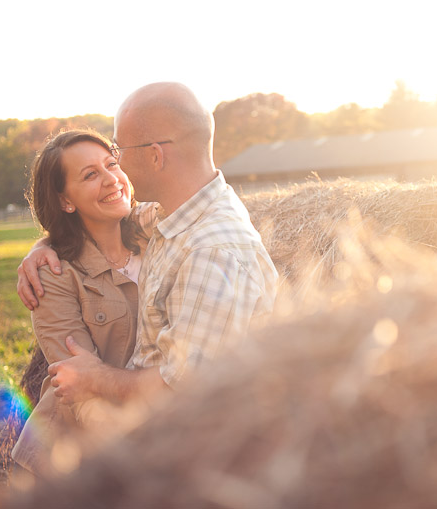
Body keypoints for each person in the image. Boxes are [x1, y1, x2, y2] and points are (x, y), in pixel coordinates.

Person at [16, 82, 277, 407]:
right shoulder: (172, 218)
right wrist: (45, 245)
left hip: (149, 441)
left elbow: (184, 387)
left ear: (155, 155)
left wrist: (96, 377)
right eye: (91, 173)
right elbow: (96, 226)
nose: (116, 168)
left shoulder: (210, 251)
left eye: (116, 153)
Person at [11, 129, 148, 476]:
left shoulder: (159, 239)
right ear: (65, 201)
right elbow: (80, 389)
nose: (111, 179)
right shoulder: (53, 274)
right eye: (90, 175)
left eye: (112, 164)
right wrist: (145, 457)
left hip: (156, 428)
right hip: (72, 462)